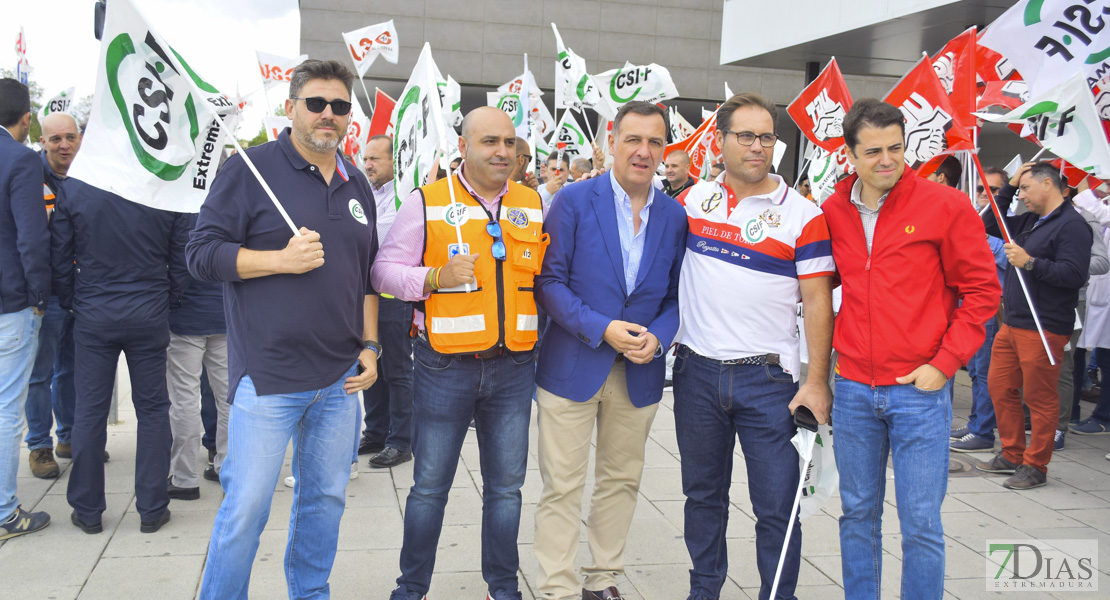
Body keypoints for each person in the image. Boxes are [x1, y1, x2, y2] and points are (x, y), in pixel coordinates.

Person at [187, 60, 379, 598]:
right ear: (290, 106)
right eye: (316, 103)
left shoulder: (355, 179)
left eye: (339, 106)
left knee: (324, 502)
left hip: (340, 382)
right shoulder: (248, 170)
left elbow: (365, 276)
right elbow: (200, 255)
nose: (328, 115)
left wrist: (370, 346)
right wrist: (279, 260)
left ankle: (310, 593)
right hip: (268, 378)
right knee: (246, 506)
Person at [821, 98, 1000, 597]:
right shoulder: (833, 209)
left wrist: (944, 365)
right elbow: (817, 285)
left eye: (896, 148)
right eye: (873, 150)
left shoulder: (945, 206)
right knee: (857, 513)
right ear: (849, 154)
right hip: (854, 388)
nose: (887, 160)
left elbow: (983, 291)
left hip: (920, 392)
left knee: (921, 523)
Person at [372, 106, 544, 600]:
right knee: (428, 487)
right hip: (443, 365)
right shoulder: (427, 201)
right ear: (463, 147)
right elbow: (382, 272)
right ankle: (412, 589)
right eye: (490, 142)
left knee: (507, 490)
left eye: (509, 143)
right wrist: (432, 278)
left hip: (514, 366)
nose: (502, 152)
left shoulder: (532, 202)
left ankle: (502, 588)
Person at [670, 93, 835, 600]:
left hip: (769, 383)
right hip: (696, 375)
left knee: (778, 508)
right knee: (702, 498)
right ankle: (704, 591)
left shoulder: (803, 215)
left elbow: (818, 302)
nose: (758, 146)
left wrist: (816, 381)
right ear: (719, 142)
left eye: (767, 136)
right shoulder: (691, 202)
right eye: (746, 135)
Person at [533, 101, 686, 600]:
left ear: (665, 149)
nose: (644, 151)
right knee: (562, 484)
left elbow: (674, 297)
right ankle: (557, 586)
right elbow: (549, 283)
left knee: (620, 480)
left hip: (639, 370)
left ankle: (603, 580)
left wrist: (659, 337)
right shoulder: (574, 201)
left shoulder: (674, 215)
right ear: (611, 143)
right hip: (573, 362)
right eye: (633, 139)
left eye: (655, 142)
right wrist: (603, 328)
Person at [53, 162, 191, 536]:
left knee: (90, 411)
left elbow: (61, 254)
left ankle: (87, 509)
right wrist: (170, 298)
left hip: (94, 310)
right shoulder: (161, 184)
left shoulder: (77, 186)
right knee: (152, 410)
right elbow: (181, 254)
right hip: (147, 308)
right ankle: (151, 507)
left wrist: (72, 300)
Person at [980, 162, 1091, 489]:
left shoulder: (1072, 225)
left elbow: (1074, 275)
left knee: (1040, 398)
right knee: (1000, 386)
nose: (1022, 196)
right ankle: (1013, 453)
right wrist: (1010, 185)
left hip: (1044, 325)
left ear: (1048, 184)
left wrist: (1030, 262)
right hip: (1013, 322)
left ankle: (1036, 465)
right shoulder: (1030, 219)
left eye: (1027, 189)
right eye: (1021, 190)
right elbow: (990, 223)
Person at [0, 77, 51, 541]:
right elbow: (32, 238)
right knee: (5, 412)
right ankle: (3, 513)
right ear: (25, 119)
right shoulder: (20, 161)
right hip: (11, 303)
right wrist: (40, 297)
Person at [25, 111, 83, 479]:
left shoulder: (89, 178)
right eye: (55, 138)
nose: (64, 145)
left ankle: (69, 437)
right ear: (42, 141)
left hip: (80, 292)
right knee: (40, 373)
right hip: (46, 294)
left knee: (73, 370)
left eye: (70, 137)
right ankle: (39, 446)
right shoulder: (30, 179)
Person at [360, 134, 415, 469]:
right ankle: (376, 431)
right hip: (365, 295)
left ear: (394, 162)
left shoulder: (405, 199)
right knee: (370, 363)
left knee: (396, 369)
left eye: (375, 159)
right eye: (366, 158)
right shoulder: (365, 193)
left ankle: (400, 441)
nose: (367, 164)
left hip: (393, 295)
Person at [166, 212, 229, 500]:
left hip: (185, 318)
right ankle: (226, 468)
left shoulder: (178, 209)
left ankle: (184, 478)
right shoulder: (229, 209)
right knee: (229, 397)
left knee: (184, 400)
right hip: (224, 314)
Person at [950, 166, 1008, 453]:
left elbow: (1013, 258)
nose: (986, 195)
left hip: (988, 307)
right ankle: (976, 424)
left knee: (985, 372)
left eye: (994, 190)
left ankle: (984, 431)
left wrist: (986, 242)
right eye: (982, 189)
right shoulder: (969, 217)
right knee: (973, 370)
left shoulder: (1006, 222)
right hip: (965, 304)